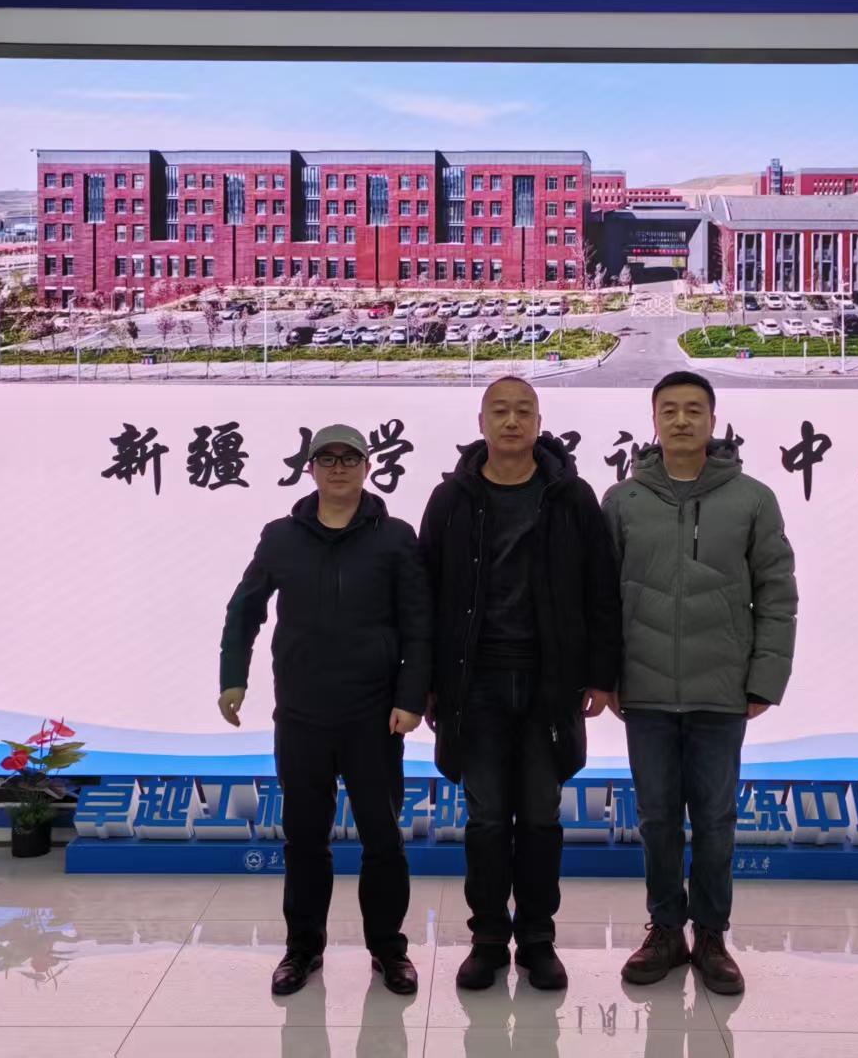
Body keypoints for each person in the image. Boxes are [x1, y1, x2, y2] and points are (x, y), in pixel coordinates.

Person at [420, 376, 622, 992]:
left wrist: (601, 675)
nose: (512, 421)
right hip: (473, 684)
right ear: (481, 421)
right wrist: (424, 682)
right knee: (485, 819)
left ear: (539, 422)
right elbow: (425, 596)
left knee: (539, 816)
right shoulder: (450, 499)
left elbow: (601, 589)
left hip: (548, 683)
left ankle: (537, 939)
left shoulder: (571, 496)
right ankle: (487, 939)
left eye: (523, 411)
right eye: (500, 411)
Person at [601, 371, 798, 996]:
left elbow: (777, 593)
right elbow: (600, 599)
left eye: (694, 410)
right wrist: (605, 677)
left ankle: (711, 934)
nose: (682, 420)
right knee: (657, 818)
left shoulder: (752, 499)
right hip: (645, 691)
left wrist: (765, 676)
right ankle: (665, 929)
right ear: (654, 421)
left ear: (713, 420)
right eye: (670, 410)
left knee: (715, 819)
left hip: (721, 689)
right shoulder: (623, 501)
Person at [218, 424, 430, 997]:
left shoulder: (395, 538)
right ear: (309, 469)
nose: (338, 468)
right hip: (302, 714)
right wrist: (233, 677)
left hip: (373, 716)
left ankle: (389, 950)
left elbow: (419, 625)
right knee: (305, 839)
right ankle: (302, 949)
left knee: (382, 839)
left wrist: (411, 697)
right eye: (327, 459)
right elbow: (245, 610)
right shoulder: (281, 537)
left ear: (367, 467)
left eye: (349, 458)